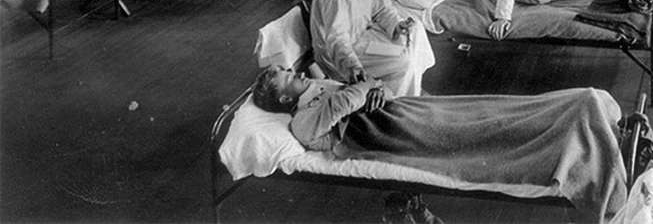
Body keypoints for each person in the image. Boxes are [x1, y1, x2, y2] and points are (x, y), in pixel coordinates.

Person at [250, 67, 628, 222]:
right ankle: (579, 128)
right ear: (283, 99)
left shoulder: (316, 90)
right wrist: (364, 88)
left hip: (402, 110)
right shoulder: (301, 119)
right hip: (386, 131)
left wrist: (374, 86)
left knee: (486, 111)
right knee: (484, 133)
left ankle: (583, 109)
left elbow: (368, 87)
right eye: (287, 76)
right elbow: (348, 102)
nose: (295, 71)